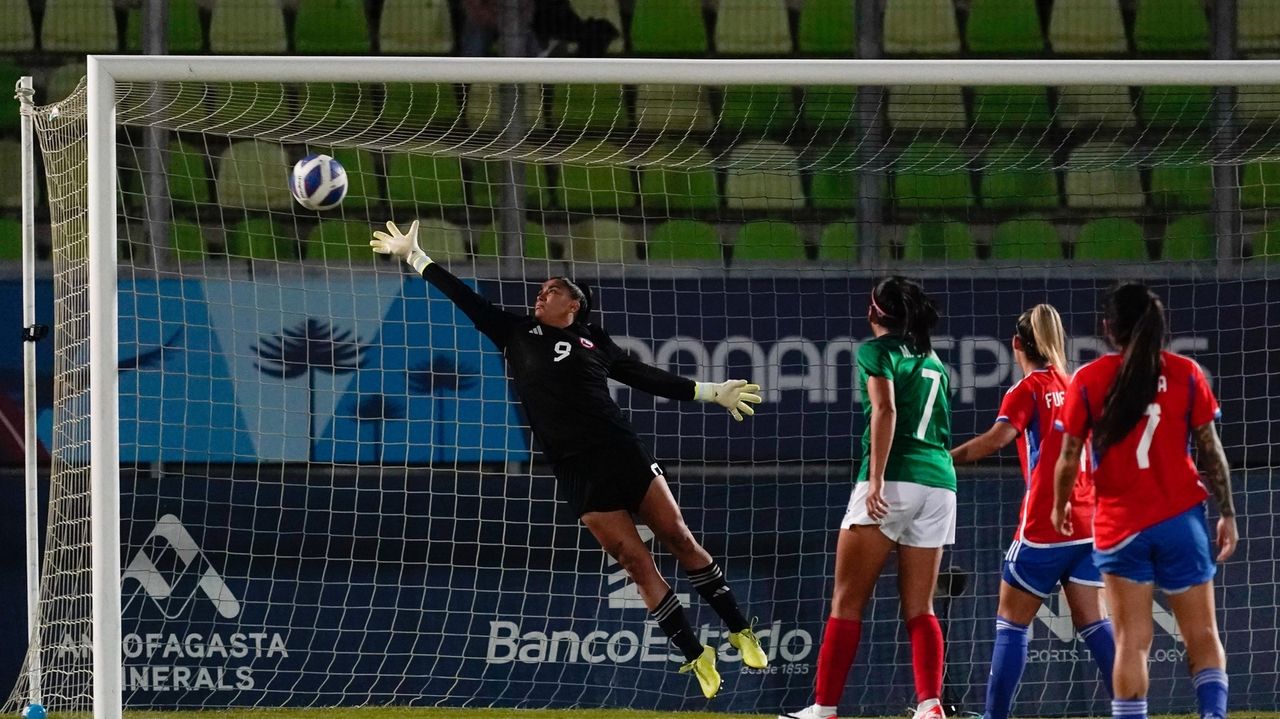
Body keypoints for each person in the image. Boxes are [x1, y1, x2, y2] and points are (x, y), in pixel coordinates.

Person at [370, 220, 768, 699]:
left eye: (551, 290)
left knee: (678, 537)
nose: (541, 294)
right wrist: (417, 257)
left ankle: (740, 629)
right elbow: (465, 299)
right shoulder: (515, 332)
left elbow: (641, 375)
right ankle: (695, 655)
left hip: (621, 451)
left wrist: (709, 391)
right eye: (541, 290)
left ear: (573, 304)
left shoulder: (594, 340)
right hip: (575, 468)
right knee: (634, 561)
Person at [1051, 282, 1237, 719]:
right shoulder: (1186, 373)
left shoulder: (1089, 379)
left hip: (1120, 527)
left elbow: (1068, 457)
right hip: (1181, 523)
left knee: (1131, 642)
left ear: (1108, 329)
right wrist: (1227, 512)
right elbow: (1211, 451)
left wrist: (1060, 505)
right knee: (1203, 634)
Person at [780, 277, 955, 719]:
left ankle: (824, 709)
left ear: (874, 312)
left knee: (847, 601)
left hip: (894, 479)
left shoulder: (874, 352)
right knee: (921, 606)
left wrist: (875, 480)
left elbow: (886, 409)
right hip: (940, 484)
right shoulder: (933, 359)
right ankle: (930, 705)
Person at [950, 304, 1115, 719]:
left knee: (1011, 620)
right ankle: (1132, 708)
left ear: (1016, 344)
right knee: (1092, 620)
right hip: (1086, 520)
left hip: (1044, 523)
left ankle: (995, 717)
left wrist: (943, 458)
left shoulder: (1027, 389)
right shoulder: (1077, 384)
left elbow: (995, 439)